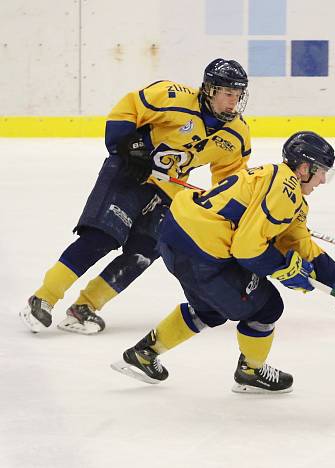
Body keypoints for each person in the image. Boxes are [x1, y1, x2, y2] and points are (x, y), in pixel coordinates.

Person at [110, 131, 335, 394]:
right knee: (267, 307)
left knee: (211, 308)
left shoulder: (278, 179)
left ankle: (143, 354)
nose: (323, 180)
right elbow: (247, 250)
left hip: (179, 238)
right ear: (304, 168)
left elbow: (298, 241)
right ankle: (251, 372)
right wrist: (283, 269)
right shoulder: (285, 190)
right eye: (322, 171)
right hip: (202, 250)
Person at [20, 58, 253, 334]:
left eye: (238, 96)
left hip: (168, 191)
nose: (233, 102)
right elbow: (125, 112)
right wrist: (128, 148)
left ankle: (85, 307)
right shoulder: (172, 96)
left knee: (143, 253)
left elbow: (231, 180)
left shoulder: (237, 134)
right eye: (228, 94)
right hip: (130, 174)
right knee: (102, 237)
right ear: (210, 90)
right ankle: (43, 297)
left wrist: (227, 207)